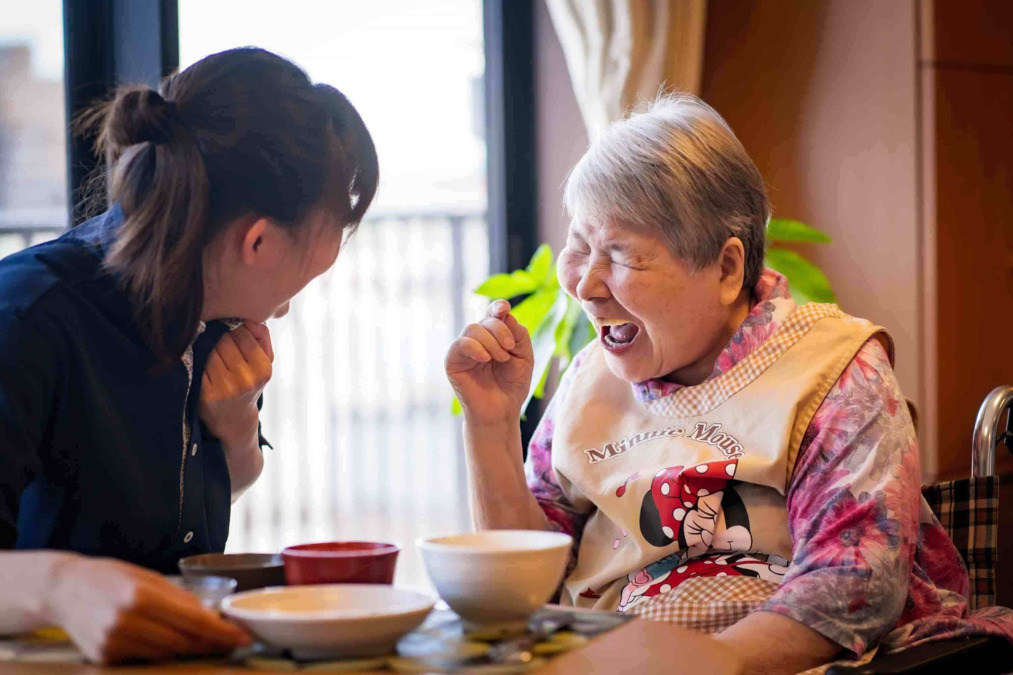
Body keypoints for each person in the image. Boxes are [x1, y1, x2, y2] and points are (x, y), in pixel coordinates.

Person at [446, 94, 1012, 673]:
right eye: (580, 247)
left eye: (619, 255)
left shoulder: (834, 369)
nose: (585, 285)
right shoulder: (590, 379)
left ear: (726, 268)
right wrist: (490, 423)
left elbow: (850, 584)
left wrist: (691, 668)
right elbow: (523, 585)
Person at [0, 47, 378, 663]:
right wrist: (61, 587)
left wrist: (235, 432)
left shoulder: (211, 305)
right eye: (329, 233)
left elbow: (218, 487)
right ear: (257, 241)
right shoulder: (28, 315)